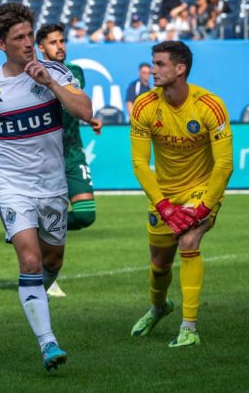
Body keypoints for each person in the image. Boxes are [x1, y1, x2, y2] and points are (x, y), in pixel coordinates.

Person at [0, 3, 92, 371]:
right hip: (11, 183)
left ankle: (34, 298)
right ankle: (48, 344)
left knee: (52, 260)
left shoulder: (56, 71)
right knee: (29, 259)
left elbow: (85, 110)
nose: (29, 43)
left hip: (53, 184)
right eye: (20, 38)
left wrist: (51, 83)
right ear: (1, 44)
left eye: (31, 35)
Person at [129, 41, 234, 348]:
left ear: (180, 69)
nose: (152, 70)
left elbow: (225, 164)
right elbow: (139, 163)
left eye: (160, 64)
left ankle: (189, 327)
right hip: (164, 194)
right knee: (159, 264)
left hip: (201, 189)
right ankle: (158, 308)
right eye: (153, 63)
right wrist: (163, 205)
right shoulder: (144, 105)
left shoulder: (210, 105)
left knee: (188, 241)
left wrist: (202, 209)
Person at [36, 23, 104, 297]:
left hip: (73, 151)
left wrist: (89, 118)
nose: (60, 46)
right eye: (53, 42)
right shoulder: (31, 75)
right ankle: (47, 277)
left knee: (86, 215)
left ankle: (35, 229)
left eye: (62, 40)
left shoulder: (73, 71)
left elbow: (75, 100)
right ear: (41, 47)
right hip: (44, 158)